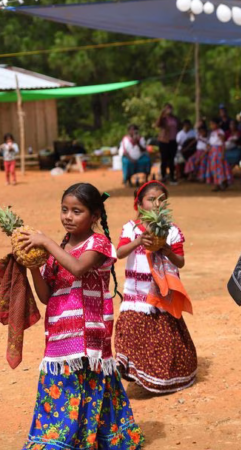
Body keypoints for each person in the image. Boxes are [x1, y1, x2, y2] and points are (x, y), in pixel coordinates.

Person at [17, 183, 144, 449]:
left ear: (95, 215)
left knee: (89, 386)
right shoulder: (59, 249)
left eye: (77, 211)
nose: (68, 216)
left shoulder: (98, 244)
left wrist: (46, 243)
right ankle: (63, 441)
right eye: (64, 210)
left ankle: (85, 440)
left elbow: (76, 268)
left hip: (88, 333)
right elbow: (45, 295)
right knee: (65, 387)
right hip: (60, 332)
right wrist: (31, 265)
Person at [115, 181, 197, 394]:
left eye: (162, 200)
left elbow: (180, 262)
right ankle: (125, 366)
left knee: (165, 339)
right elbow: (119, 252)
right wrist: (139, 241)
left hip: (163, 292)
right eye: (151, 199)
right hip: (136, 294)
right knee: (130, 330)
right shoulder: (131, 229)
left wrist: (167, 250)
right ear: (139, 204)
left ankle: (163, 378)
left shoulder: (171, 231)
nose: (157, 204)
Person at [199, 118, 232, 191]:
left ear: (217, 124)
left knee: (219, 168)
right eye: (210, 124)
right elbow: (210, 144)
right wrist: (204, 154)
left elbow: (223, 143)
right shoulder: (212, 133)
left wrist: (223, 154)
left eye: (212, 124)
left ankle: (221, 183)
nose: (211, 126)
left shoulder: (220, 132)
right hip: (213, 152)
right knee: (214, 169)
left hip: (219, 152)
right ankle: (218, 184)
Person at [155, 103, 180, 185]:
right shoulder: (163, 119)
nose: (169, 110)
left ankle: (172, 176)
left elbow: (179, 126)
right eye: (167, 108)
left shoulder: (175, 118)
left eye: (170, 108)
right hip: (164, 141)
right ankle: (163, 176)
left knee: (172, 160)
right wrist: (161, 114)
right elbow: (157, 124)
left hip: (173, 141)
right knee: (164, 159)